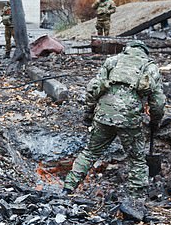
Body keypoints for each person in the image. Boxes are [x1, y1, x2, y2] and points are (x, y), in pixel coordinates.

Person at [63, 40, 165, 199]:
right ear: (144, 52)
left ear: (127, 50)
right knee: (136, 160)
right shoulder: (150, 67)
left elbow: (93, 89)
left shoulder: (112, 61)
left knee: (90, 152)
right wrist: (155, 122)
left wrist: (88, 114)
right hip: (129, 119)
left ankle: (67, 188)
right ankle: (135, 201)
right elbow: (158, 103)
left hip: (103, 113)